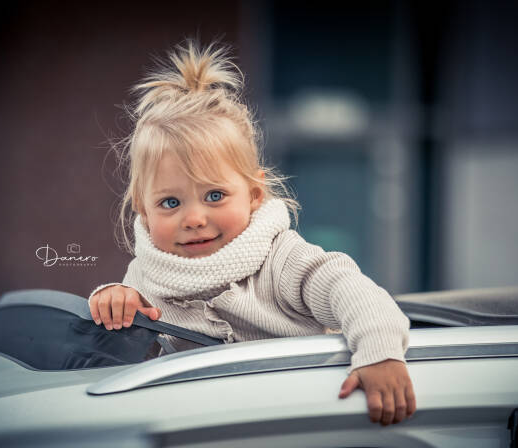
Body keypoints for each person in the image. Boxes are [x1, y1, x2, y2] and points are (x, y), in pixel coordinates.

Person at [89, 39, 415, 426]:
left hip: (300, 432)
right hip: (207, 439)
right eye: (170, 202)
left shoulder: (282, 259)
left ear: (254, 194)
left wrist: (379, 354)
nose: (193, 219)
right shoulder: (145, 277)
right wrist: (114, 302)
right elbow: (124, 366)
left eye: (214, 196)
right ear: (144, 209)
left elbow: (352, 291)